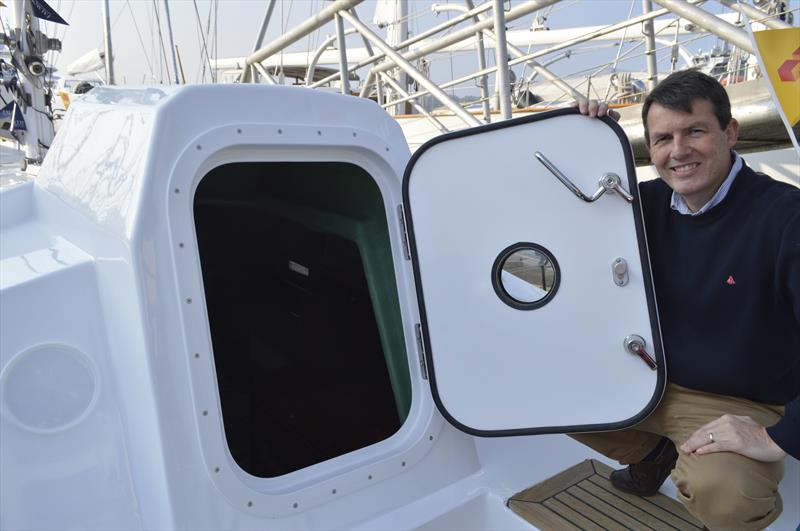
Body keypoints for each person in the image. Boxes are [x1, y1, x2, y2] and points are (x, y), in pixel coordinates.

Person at [573, 69, 800, 530]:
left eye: (694, 131)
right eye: (662, 139)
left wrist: (776, 437)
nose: (678, 151)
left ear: (730, 133)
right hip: (656, 380)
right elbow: (559, 217)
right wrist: (579, 137)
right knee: (532, 395)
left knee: (726, 495)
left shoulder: (786, 218)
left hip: (746, 400)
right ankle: (655, 456)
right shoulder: (641, 207)